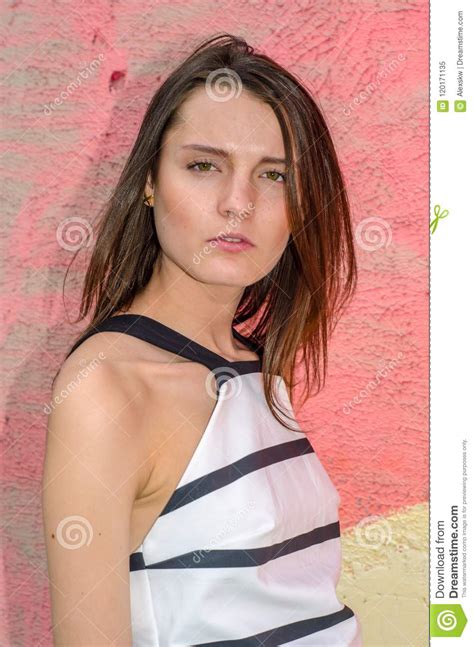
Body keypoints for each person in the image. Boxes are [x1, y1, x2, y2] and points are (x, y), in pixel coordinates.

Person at [42, 33, 362, 646]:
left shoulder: (256, 369)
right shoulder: (107, 389)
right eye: (203, 165)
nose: (237, 203)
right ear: (149, 182)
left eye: (273, 175)